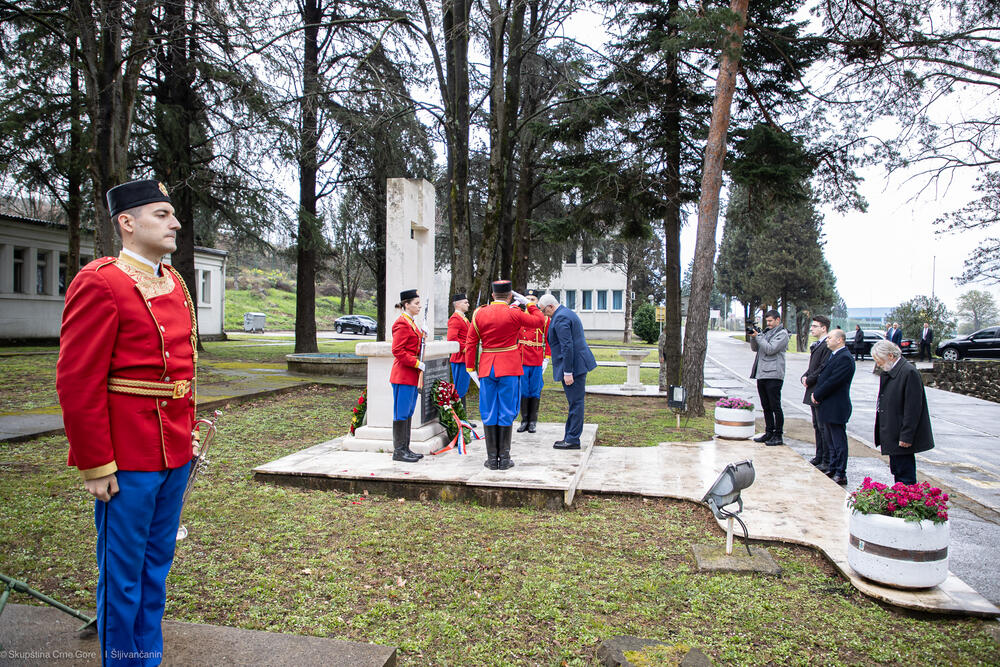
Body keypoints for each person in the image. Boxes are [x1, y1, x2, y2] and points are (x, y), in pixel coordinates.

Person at [56, 180, 197, 665]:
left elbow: (184, 365)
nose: (174, 223)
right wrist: (96, 464)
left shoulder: (175, 281)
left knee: (156, 567)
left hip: (174, 449)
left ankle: (147, 658)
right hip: (128, 455)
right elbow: (77, 381)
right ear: (127, 223)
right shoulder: (101, 281)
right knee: (122, 574)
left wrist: (190, 431)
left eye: (173, 214)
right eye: (162, 214)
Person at [465, 280, 545, 469]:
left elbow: (471, 343)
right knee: (507, 409)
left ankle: (492, 459)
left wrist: (471, 368)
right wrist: (529, 303)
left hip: (487, 366)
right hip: (508, 366)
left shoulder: (479, 313)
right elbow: (540, 321)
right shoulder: (515, 313)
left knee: (489, 409)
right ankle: (505, 458)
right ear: (510, 296)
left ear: (493, 295)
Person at [538, 293, 597, 450]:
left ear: (551, 306)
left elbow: (567, 346)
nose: (544, 314)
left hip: (574, 366)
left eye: (544, 311)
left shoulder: (561, 318)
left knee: (576, 403)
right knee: (575, 403)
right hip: (577, 363)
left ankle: (572, 439)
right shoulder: (564, 313)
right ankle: (570, 436)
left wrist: (568, 371)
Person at [871, 340, 935, 484]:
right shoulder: (892, 371)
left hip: (901, 434)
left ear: (891, 356)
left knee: (905, 474)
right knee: (897, 471)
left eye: (879, 360)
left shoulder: (908, 372)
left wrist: (906, 436)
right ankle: (900, 501)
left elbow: (913, 408)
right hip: (893, 432)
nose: (878, 364)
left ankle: (906, 503)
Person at [811, 329, 856, 486]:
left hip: (837, 406)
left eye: (830, 338)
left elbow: (834, 381)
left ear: (840, 340)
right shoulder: (834, 355)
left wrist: (817, 394)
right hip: (827, 405)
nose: (827, 340)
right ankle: (833, 466)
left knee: (838, 441)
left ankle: (840, 472)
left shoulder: (845, 358)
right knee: (829, 440)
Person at [390, 289, 427, 463]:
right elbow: (397, 350)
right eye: (416, 304)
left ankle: (406, 448)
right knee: (401, 413)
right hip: (403, 374)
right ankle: (399, 451)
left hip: (411, 375)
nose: (419, 307)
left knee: (409, 412)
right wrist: (416, 363)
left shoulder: (411, 322)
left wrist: (423, 337)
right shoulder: (402, 323)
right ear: (406, 304)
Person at [750, 309, 789, 446]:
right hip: (762, 374)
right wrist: (754, 337)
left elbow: (770, 349)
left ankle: (778, 434)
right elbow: (756, 349)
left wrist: (759, 337)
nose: (769, 323)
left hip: (774, 375)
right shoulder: (766, 332)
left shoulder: (782, 334)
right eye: (767, 321)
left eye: (771, 321)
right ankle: (769, 432)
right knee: (766, 406)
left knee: (775, 406)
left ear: (778, 320)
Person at [516, 288, 550, 434]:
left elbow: (548, 340)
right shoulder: (518, 316)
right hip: (521, 357)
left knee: (535, 390)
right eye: (527, 299)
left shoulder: (544, 319)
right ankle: (524, 420)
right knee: (523, 390)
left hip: (536, 358)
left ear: (537, 302)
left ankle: (533, 421)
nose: (530, 302)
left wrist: (546, 358)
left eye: (533, 300)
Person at [801, 315, 832, 471]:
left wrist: (810, 379)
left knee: (822, 426)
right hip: (812, 387)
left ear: (823, 328)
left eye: (814, 326)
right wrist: (805, 376)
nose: (811, 328)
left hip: (818, 389)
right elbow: (813, 366)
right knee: (816, 425)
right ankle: (819, 455)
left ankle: (826, 459)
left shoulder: (827, 345)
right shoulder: (818, 344)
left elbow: (822, 368)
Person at [447, 292, 475, 423]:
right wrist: (466, 348)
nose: (468, 304)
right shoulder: (455, 319)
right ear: (457, 304)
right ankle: (459, 420)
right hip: (459, 359)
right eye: (465, 302)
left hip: (465, 358)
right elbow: (452, 339)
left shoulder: (463, 318)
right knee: (459, 390)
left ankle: (463, 419)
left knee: (462, 389)